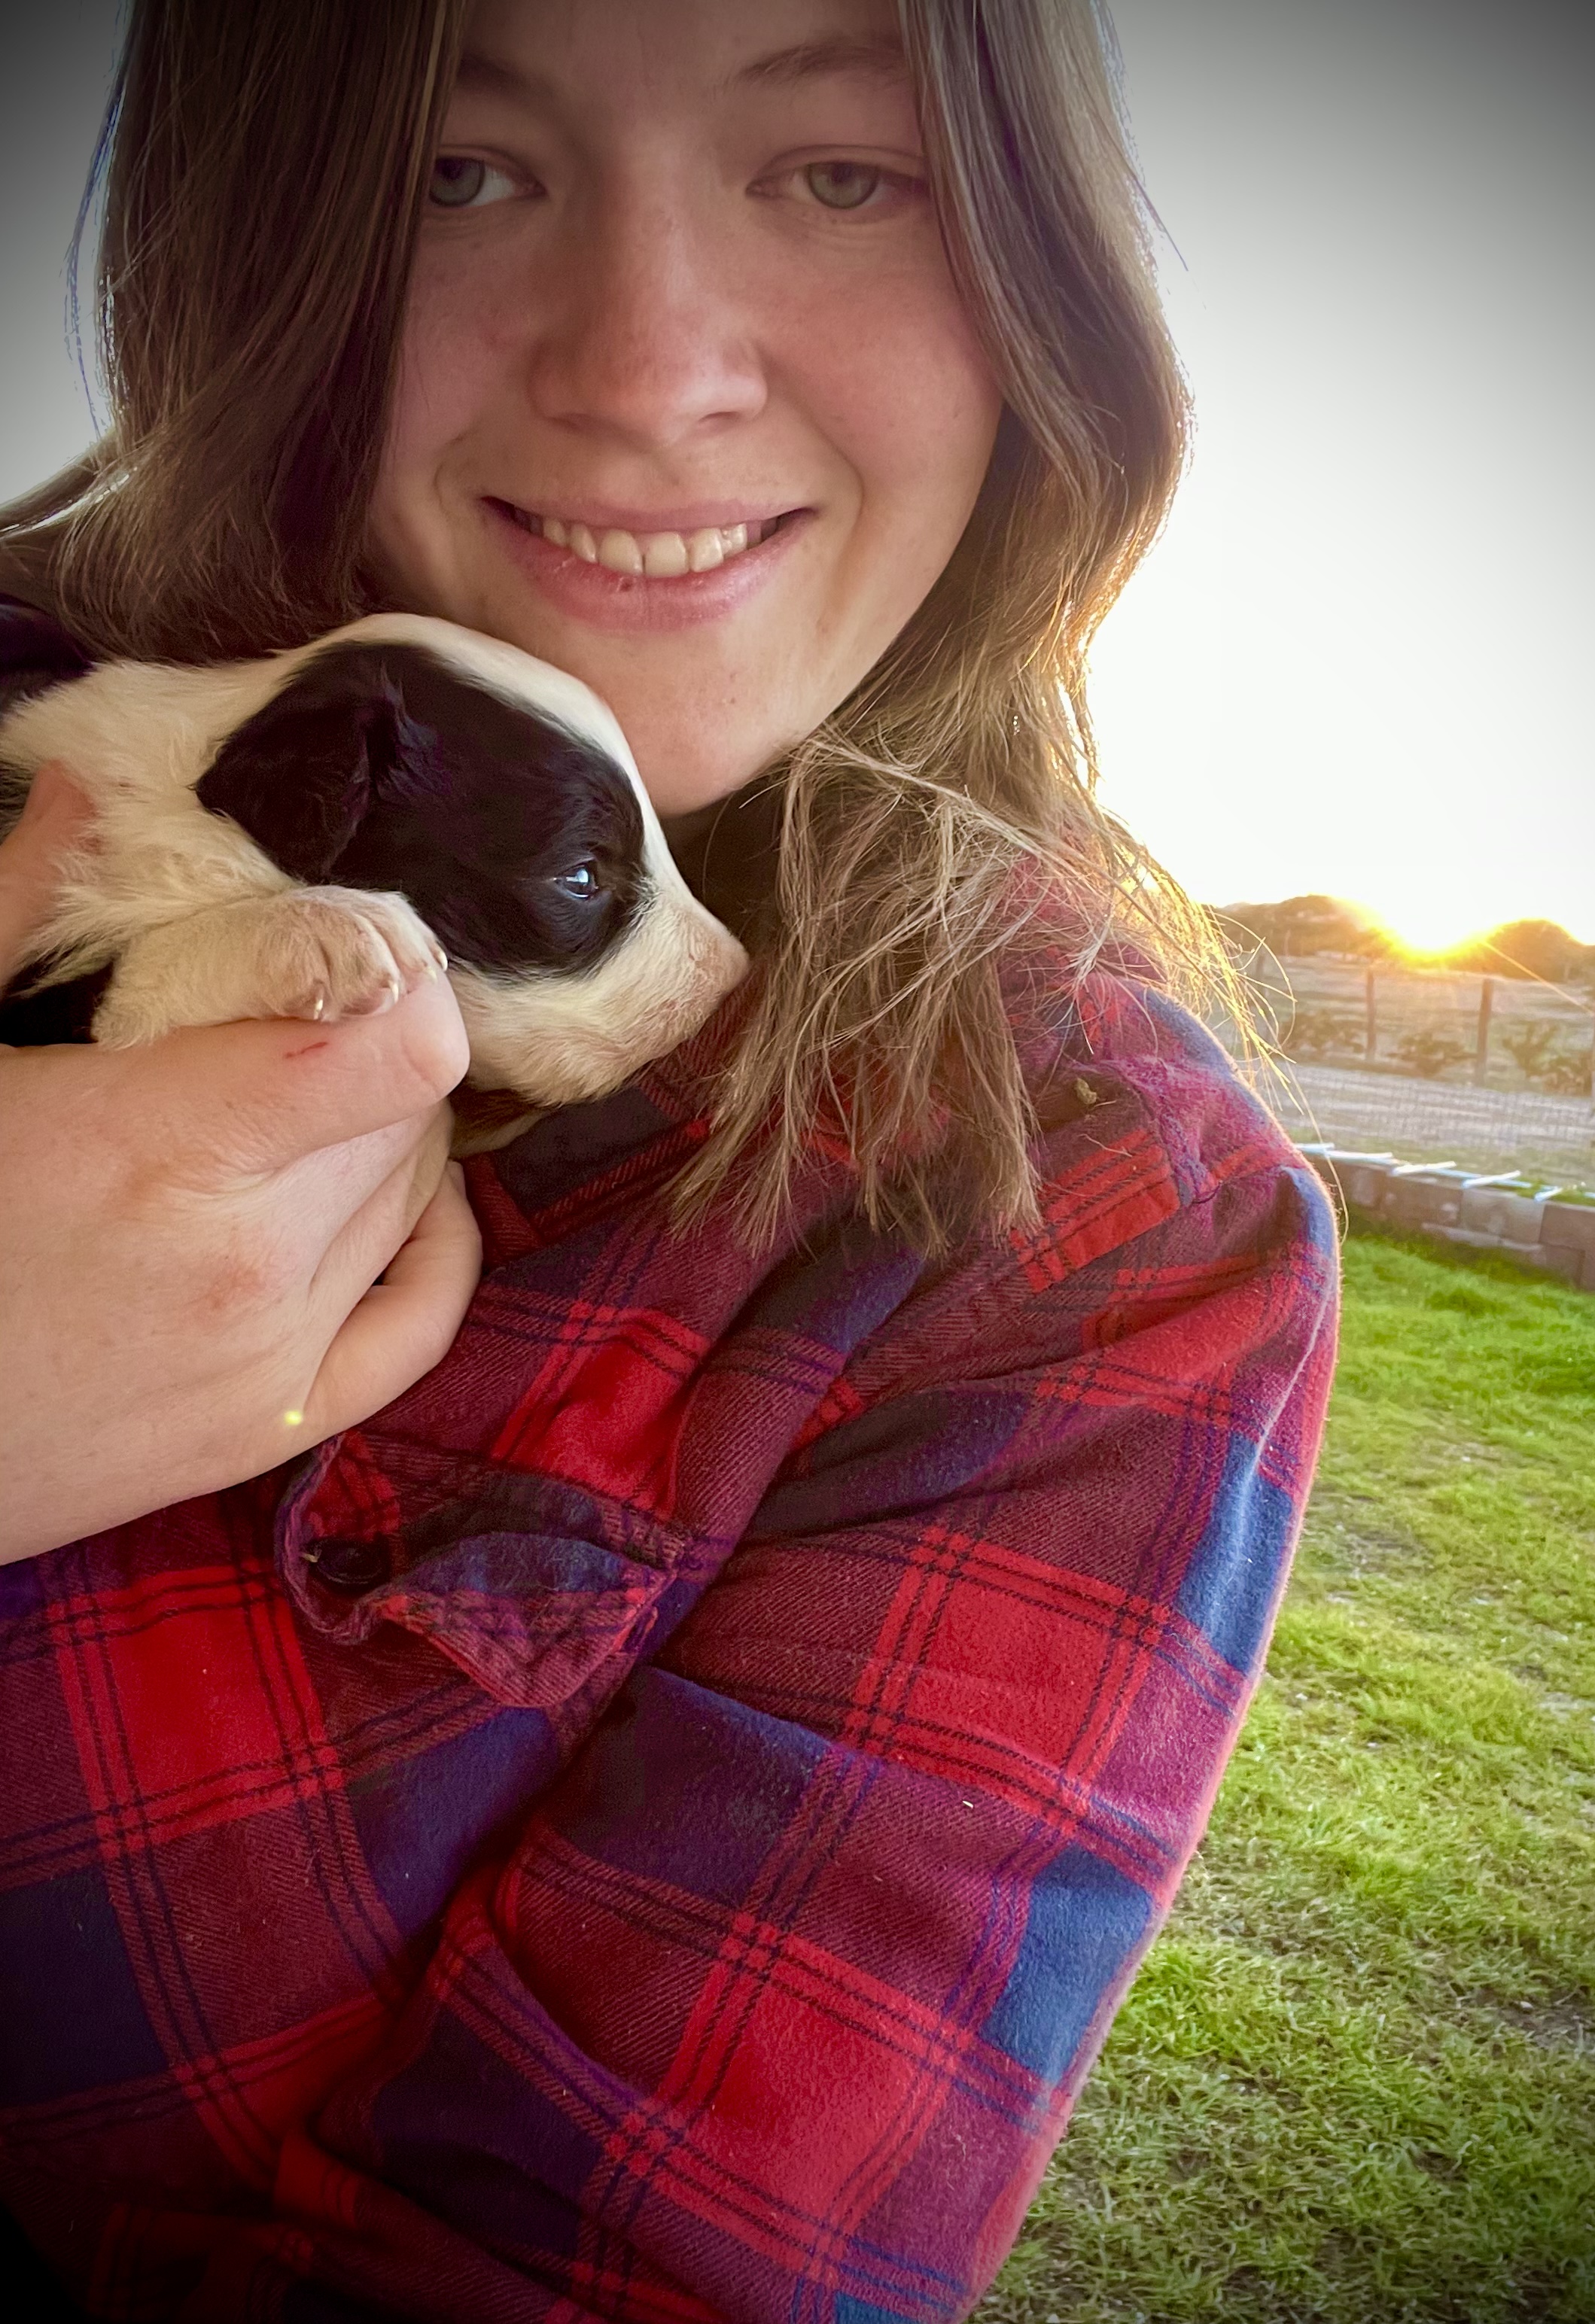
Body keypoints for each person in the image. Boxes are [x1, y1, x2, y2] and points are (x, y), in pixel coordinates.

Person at [0, 2, 1338, 2316]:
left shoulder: (1081, 1213)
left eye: (839, 172)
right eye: (455, 170)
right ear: (251, 233)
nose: (642, 372)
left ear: (1047, 276)